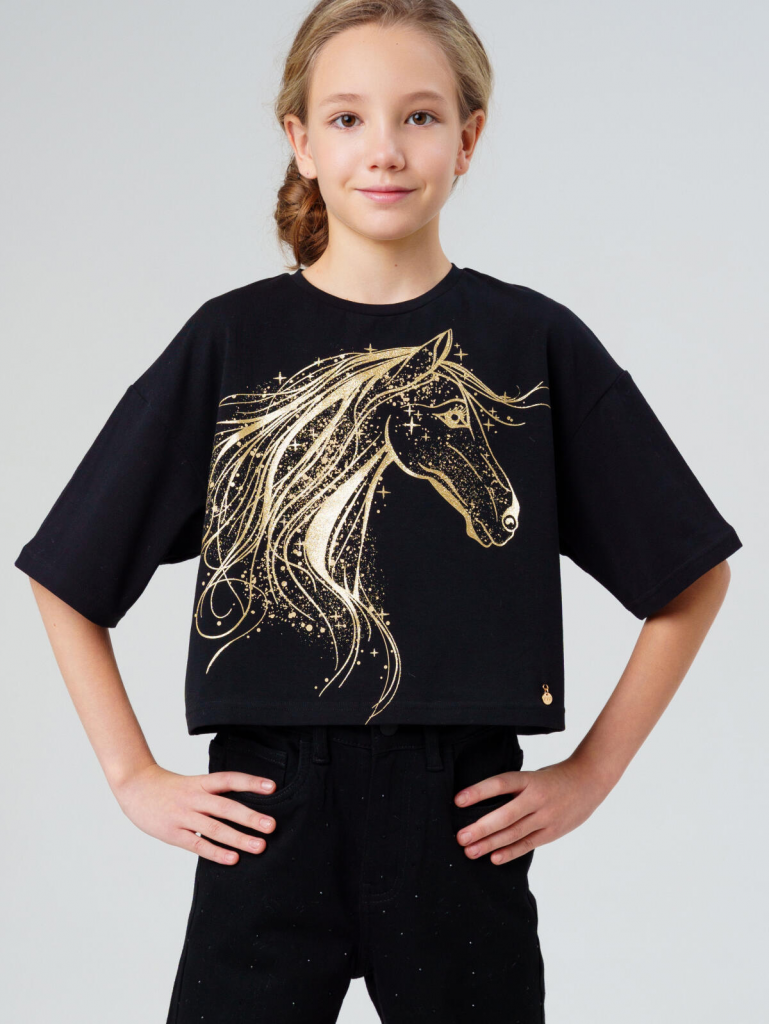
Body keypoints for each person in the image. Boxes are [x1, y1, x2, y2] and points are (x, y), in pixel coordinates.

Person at [14, 2, 742, 1022]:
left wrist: (590, 773)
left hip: (460, 817)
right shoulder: (228, 342)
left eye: (421, 116)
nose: (386, 149)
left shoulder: (533, 341)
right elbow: (68, 573)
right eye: (348, 118)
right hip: (267, 815)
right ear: (301, 141)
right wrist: (132, 773)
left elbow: (691, 574)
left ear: (468, 140)